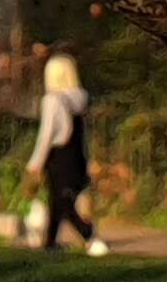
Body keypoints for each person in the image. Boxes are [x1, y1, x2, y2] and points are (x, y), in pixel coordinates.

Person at [26, 49, 108, 256]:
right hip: (77, 155)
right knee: (58, 199)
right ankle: (51, 243)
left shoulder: (52, 100)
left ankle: (88, 235)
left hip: (59, 155)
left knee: (63, 203)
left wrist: (35, 162)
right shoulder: (80, 98)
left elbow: (46, 135)